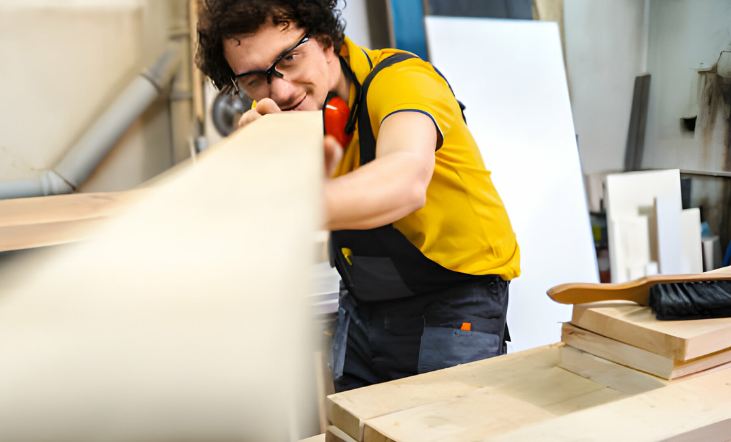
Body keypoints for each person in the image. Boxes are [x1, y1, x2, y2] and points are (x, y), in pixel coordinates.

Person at [195, 0, 520, 392]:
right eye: (253, 79)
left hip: (455, 295)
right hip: (367, 300)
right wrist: (261, 157)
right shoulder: (285, 113)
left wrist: (284, 205)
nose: (279, 89)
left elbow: (405, 180)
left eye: (290, 59)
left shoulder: (403, 82)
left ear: (328, 43)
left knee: (441, 433)